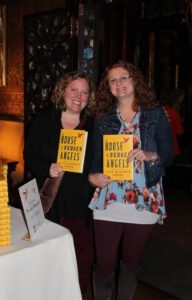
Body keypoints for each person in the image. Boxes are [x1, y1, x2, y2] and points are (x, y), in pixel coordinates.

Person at [88, 61, 173, 300]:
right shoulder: (102, 116)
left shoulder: (155, 113)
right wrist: (93, 176)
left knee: (132, 261)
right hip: (110, 197)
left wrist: (150, 155)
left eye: (124, 78)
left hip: (144, 198)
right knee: (104, 263)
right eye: (113, 80)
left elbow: (167, 156)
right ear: (108, 87)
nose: (119, 84)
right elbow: (95, 159)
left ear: (135, 80)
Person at [24, 71, 95, 296]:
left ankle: (77, 293)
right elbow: (30, 155)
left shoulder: (94, 124)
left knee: (82, 255)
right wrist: (48, 168)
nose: (78, 96)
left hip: (81, 201)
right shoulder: (45, 119)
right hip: (49, 202)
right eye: (74, 89)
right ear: (62, 91)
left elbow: (100, 159)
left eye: (84, 92)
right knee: (49, 252)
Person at [160, 89, 184, 157]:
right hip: (171, 148)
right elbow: (180, 132)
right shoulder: (174, 112)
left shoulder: (155, 110)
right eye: (182, 97)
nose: (182, 99)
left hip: (157, 148)